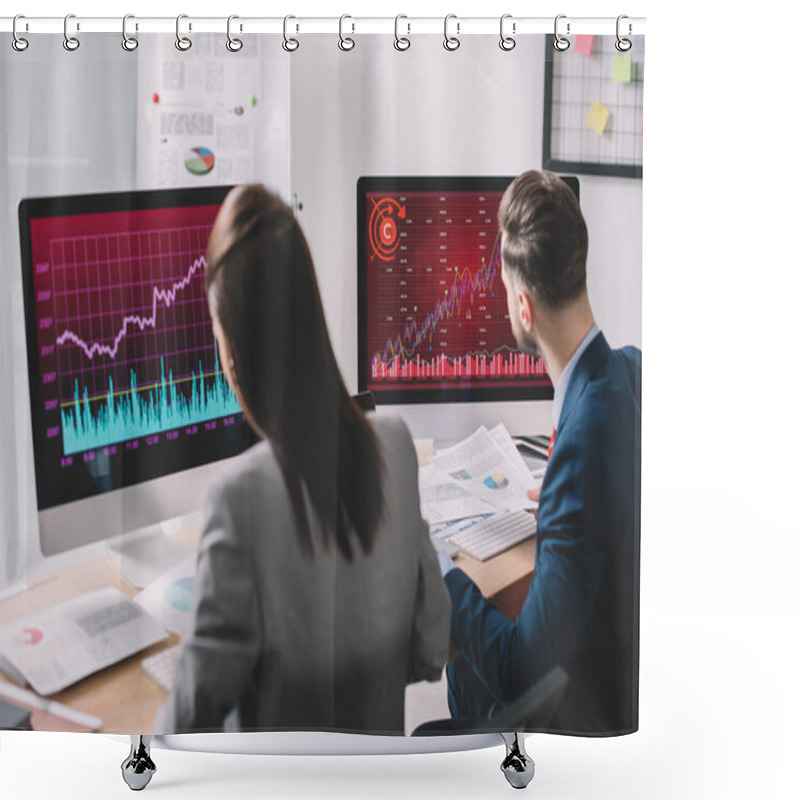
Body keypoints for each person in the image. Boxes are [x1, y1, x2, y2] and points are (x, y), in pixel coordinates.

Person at [157, 184, 450, 735]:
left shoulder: (238, 501)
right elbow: (432, 647)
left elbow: (184, 727)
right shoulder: (394, 446)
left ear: (232, 345)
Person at [439, 170, 641, 734]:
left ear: (524, 309)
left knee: (470, 675)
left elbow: (522, 673)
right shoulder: (628, 371)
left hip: (590, 709)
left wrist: (443, 575)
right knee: (464, 677)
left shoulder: (580, 451)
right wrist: (562, 482)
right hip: (622, 658)